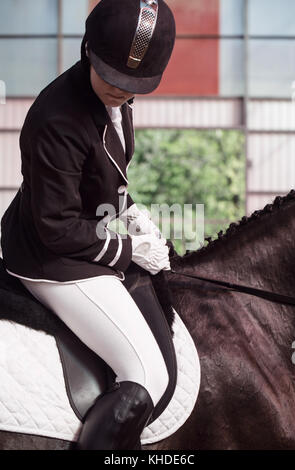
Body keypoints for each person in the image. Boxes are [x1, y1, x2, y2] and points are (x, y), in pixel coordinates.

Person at [0, 0, 176, 450]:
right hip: (50, 255)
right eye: (114, 78)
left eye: (134, 84)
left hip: (77, 232)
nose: (122, 90)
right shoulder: (56, 119)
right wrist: (129, 250)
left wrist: (131, 211)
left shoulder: (114, 95)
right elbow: (56, 228)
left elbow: (100, 175)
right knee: (146, 374)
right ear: (88, 50)